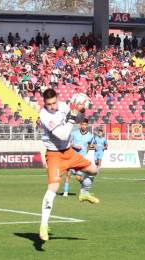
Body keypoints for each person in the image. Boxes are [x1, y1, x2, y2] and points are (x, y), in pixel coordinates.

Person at [38, 89, 98, 241]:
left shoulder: (64, 106)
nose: (52, 106)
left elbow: (78, 120)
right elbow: (64, 134)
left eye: (54, 103)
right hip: (55, 155)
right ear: (44, 103)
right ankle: (43, 225)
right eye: (49, 104)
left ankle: (84, 192)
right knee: (54, 187)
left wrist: (81, 111)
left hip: (69, 152)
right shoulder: (44, 115)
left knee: (94, 170)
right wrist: (72, 117)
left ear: (57, 99)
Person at [62, 119, 99, 204]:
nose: (84, 126)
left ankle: (84, 190)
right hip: (72, 157)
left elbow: (90, 145)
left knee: (79, 178)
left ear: (87, 126)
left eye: (85, 125)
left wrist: (85, 152)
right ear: (80, 125)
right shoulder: (74, 133)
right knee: (68, 175)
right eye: (82, 124)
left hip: (81, 159)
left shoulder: (90, 136)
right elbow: (68, 143)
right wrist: (75, 146)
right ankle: (65, 192)